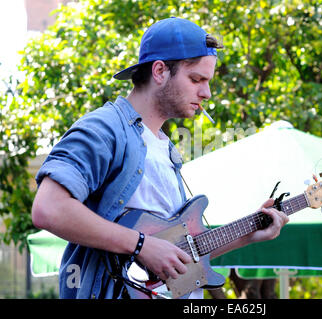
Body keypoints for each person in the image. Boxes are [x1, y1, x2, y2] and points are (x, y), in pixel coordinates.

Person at [31, 17, 289, 299]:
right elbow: (49, 209)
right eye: (196, 79)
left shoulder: (164, 146)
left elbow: (177, 252)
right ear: (159, 71)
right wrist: (141, 245)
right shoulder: (104, 128)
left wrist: (249, 233)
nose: (207, 92)